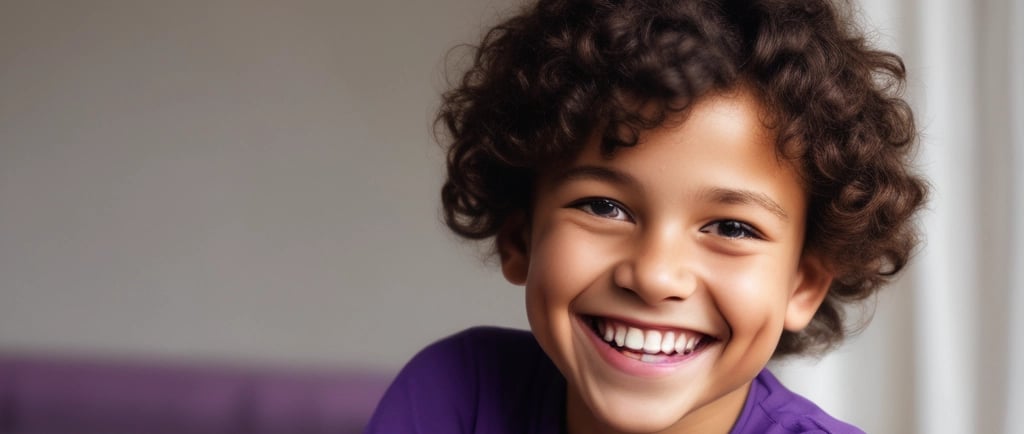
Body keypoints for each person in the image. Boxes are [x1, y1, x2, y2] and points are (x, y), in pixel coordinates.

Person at [365, 0, 928, 432]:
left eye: (731, 227)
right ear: (521, 237)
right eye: (604, 207)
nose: (655, 275)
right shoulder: (458, 396)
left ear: (802, 284)